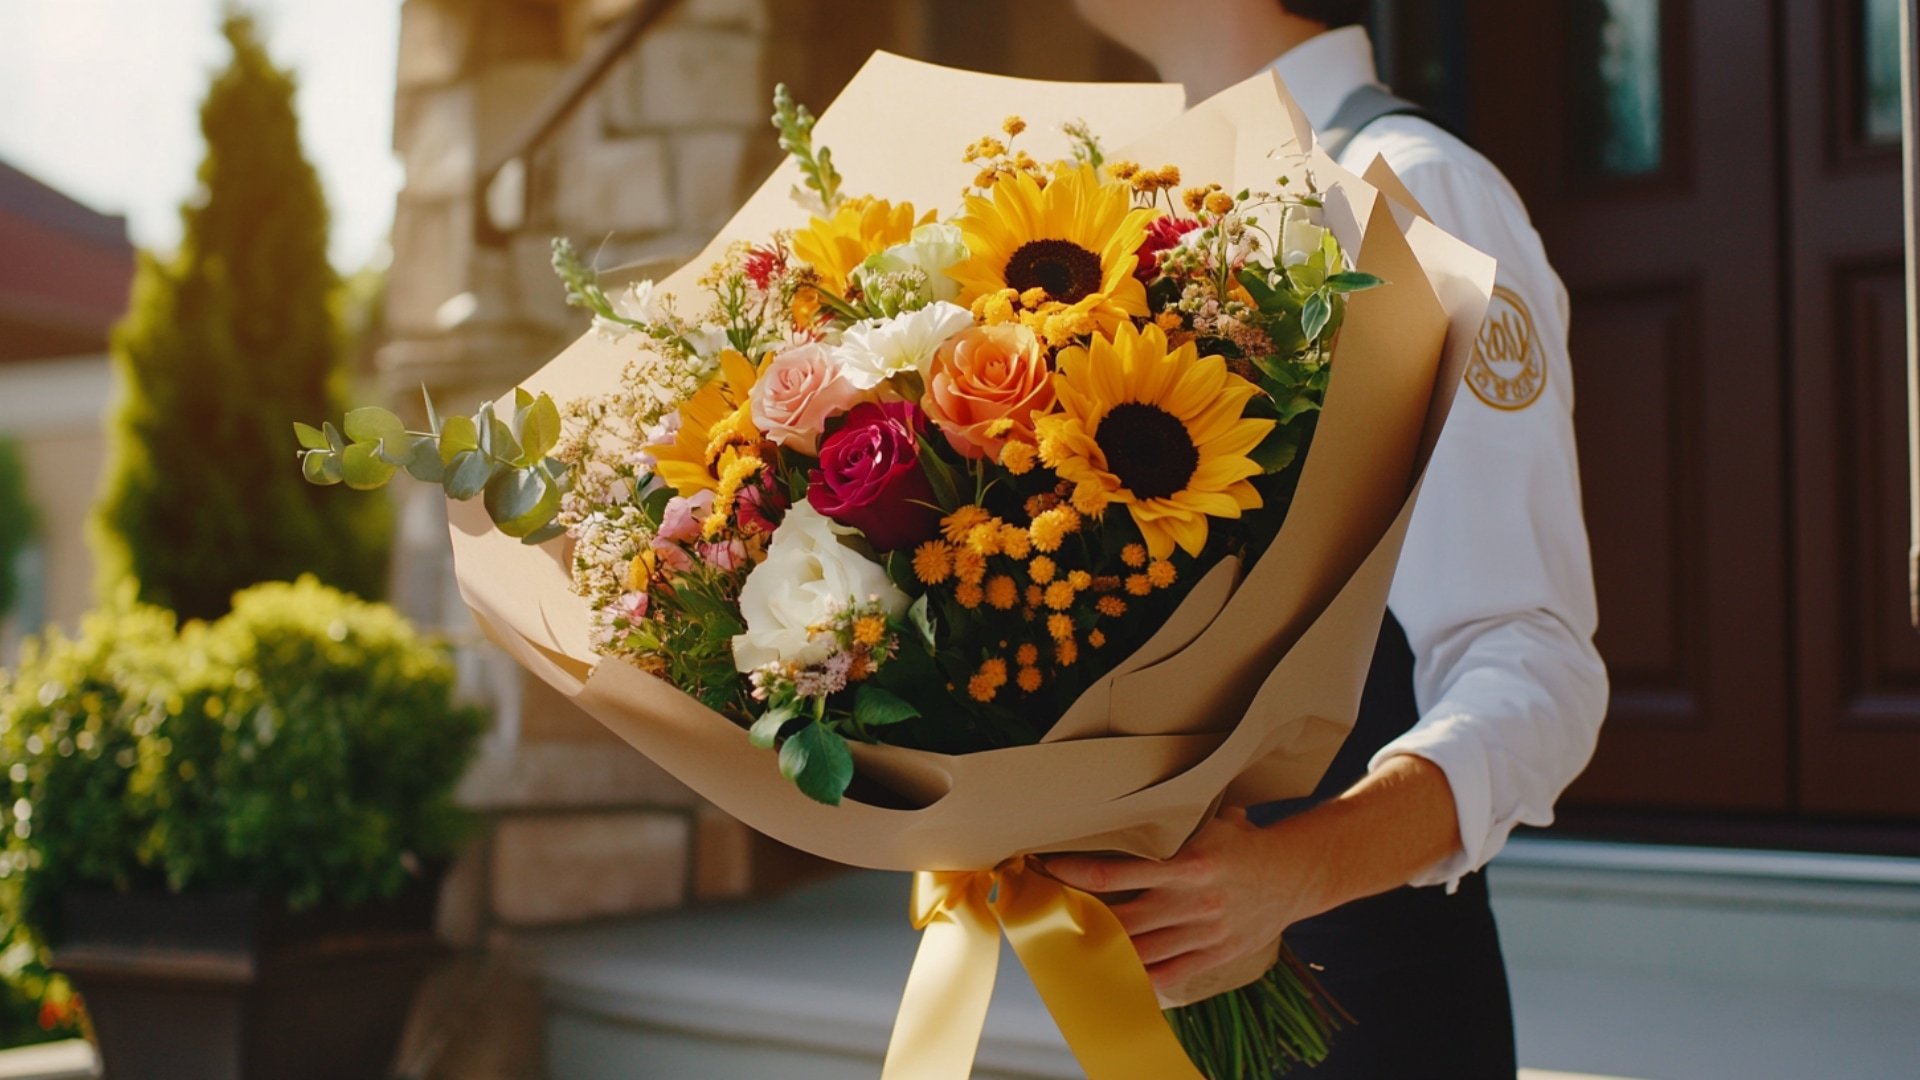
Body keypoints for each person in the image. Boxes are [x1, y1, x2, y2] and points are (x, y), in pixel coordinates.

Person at [1046, 2, 1610, 1076]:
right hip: (1154, 1002)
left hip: (1362, 1007)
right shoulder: (1125, 218)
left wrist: (1290, 876)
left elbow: (1533, 661)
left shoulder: (1414, 189)